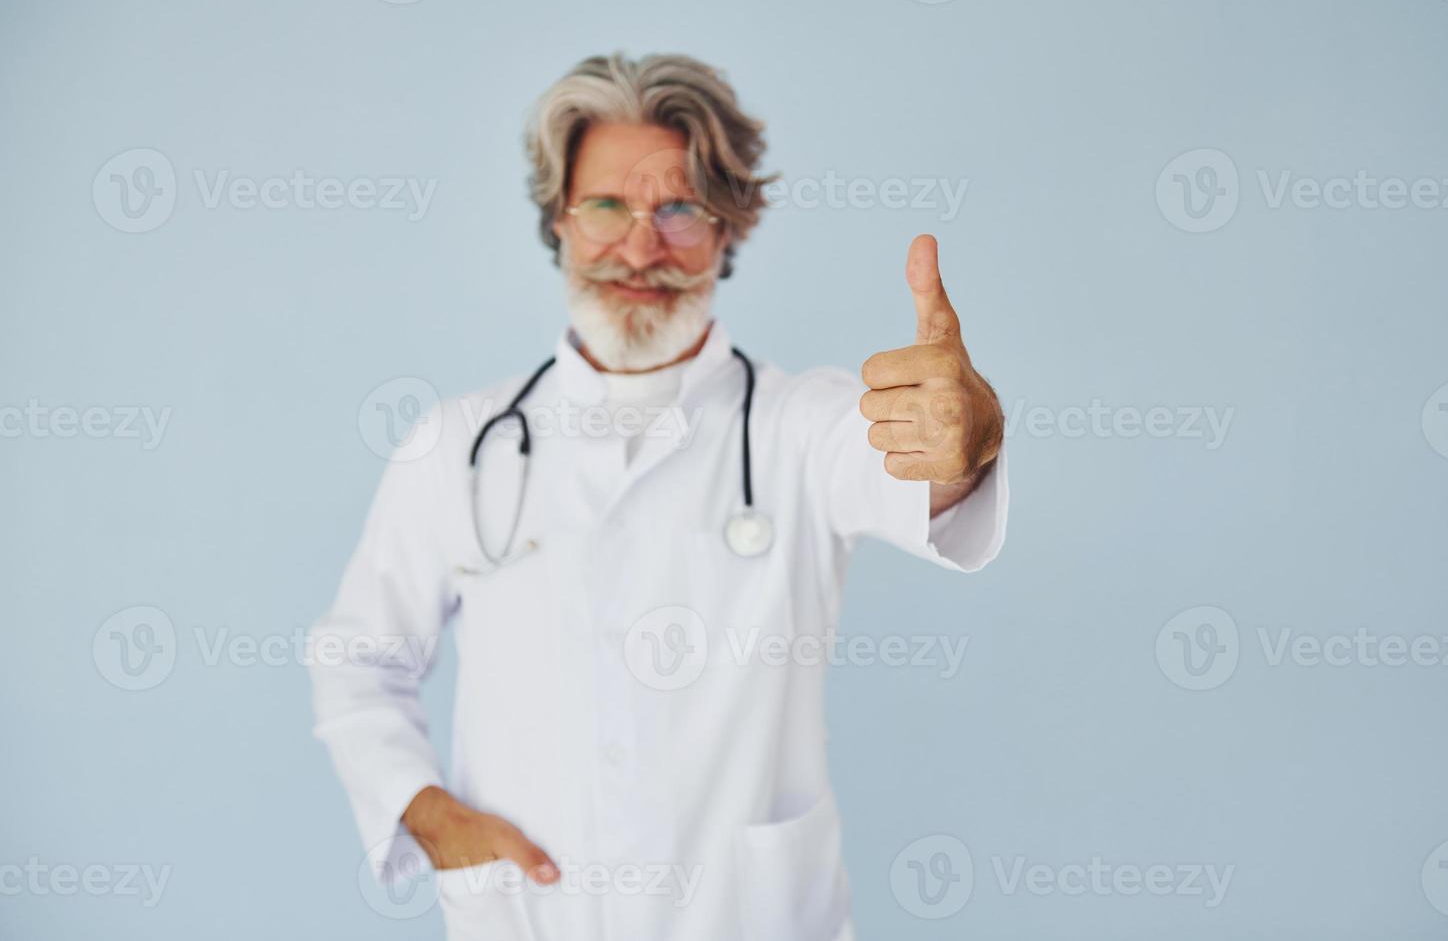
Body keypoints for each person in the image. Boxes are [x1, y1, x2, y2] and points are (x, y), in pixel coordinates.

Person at [310, 52, 1008, 941]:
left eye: (678, 209)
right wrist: (425, 810)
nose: (641, 247)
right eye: (607, 205)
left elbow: (918, 469)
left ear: (728, 231)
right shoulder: (458, 445)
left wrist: (968, 437)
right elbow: (356, 658)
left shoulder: (801, 424)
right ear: (557, 220)